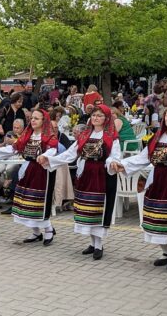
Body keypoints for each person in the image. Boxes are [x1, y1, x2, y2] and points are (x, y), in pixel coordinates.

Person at [111, 106, 167, 270]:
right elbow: (144, 157)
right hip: (158, 178)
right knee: (154, 215)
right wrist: (124, 164)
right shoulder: (158, 135)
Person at [39, 105, 121, 259]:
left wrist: (112, 162)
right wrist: (50, 159)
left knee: (97, 209)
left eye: (100, 115)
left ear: (106, 119)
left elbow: (114, 155)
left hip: (100, 175)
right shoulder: (84, 135)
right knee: (86, 209)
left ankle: (99, 245)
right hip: (85, 175)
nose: (96, 118)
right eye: (94, 115)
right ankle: (92, 243)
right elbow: (70, 154)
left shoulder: (111, 137)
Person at [0, 109, 58, 245]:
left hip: (42, 172)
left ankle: (49, 229)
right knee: (26, 201)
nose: (33, 120)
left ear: (43, 121)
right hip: (28, 170)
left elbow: (53, 149)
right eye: (32, 118)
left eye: (36, 118)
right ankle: (36, 232)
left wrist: (45, 155)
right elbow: (13, 149)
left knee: (39, 201)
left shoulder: (49, 136)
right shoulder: (27, 135)